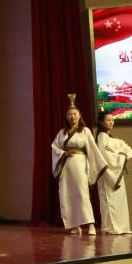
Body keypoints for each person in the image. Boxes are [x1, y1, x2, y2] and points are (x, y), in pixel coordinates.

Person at [51, 94, 105, 236]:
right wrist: (63, 153)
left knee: (82, 193)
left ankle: (91, 224)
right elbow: (54, 147)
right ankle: (75, 225)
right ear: (66, 117)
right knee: (67, 194)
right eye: (69, 114)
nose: (72, 116)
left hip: (80, 164)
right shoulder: (62, 133)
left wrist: (95, 165)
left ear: (79, 116)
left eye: (74, 114)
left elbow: (92, 149)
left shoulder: (85, 131)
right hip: (66, 166)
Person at [95, 111, 132, 235]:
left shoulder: (108, 137)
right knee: (110, 200)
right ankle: (111, 227)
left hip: (116, 172)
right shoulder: (101, 137)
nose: (111, 122)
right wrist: (122, 157)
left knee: (118, 200)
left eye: (112, 120)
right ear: (101, 122)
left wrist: (123, 156)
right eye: (108, 120)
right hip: (108, 173)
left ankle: (121, 226)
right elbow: (105, 157)